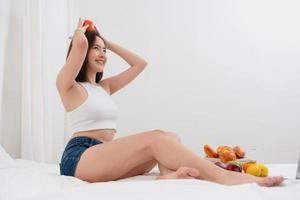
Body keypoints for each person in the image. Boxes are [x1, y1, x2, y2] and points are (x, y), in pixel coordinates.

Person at [57, 18, 284, 186]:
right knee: (155, 138)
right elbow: (80, 46)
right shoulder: (69, 86)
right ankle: (223, 176)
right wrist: (82, 33)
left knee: (168, 137)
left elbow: (140, 64)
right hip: (80, 157)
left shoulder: (103, 87)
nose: (102, 53)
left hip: (105, 154)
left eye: (104, 50)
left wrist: (107, 42)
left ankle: (168, 176)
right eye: (96, 48)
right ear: (84, 51)